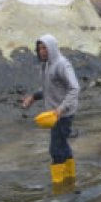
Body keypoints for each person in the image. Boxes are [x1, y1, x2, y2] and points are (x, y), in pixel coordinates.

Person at [21, 35, 80, 186]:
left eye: (44, 48)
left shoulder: (62, 65)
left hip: (63, 114)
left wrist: (61, 109)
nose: (42, 51)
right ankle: (70, 179)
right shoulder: (46, 65)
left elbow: (75, 88)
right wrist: (33, 97)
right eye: (39, 48)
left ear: (52, 48)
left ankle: (59, 186)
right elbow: (49, 88)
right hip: (54, 114)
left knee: (55, 149)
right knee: (63, 145)